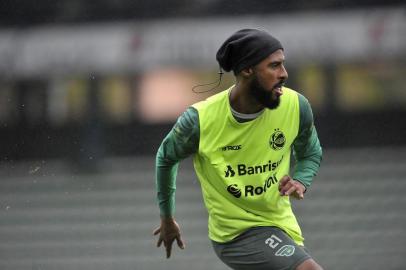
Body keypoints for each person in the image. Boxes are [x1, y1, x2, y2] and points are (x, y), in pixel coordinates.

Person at [153, 28, 323, 270]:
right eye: (274, 66)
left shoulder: (296, 106)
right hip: (237, 235)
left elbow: (310, 153)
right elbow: (165, 158)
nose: (284, 74)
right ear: (247, 70)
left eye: (283, 65)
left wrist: (301, 180)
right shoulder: (200, 120)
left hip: (283, 226)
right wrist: (167, 217)